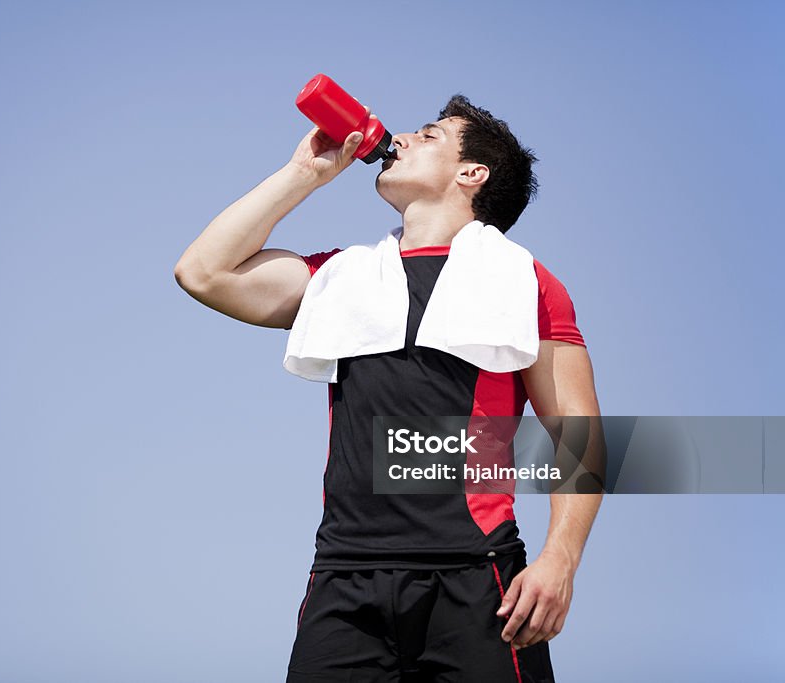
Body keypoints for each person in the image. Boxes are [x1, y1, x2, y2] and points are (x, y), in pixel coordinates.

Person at [174, 93, 603, 682]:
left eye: (429, 135)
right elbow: (203, 272)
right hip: (345, 579)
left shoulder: (525, 281)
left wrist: (561, 559)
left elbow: (577, 432)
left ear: (471, 173)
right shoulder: (340, 276)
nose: (399, 139)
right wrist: (305, 174)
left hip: (476, 578)